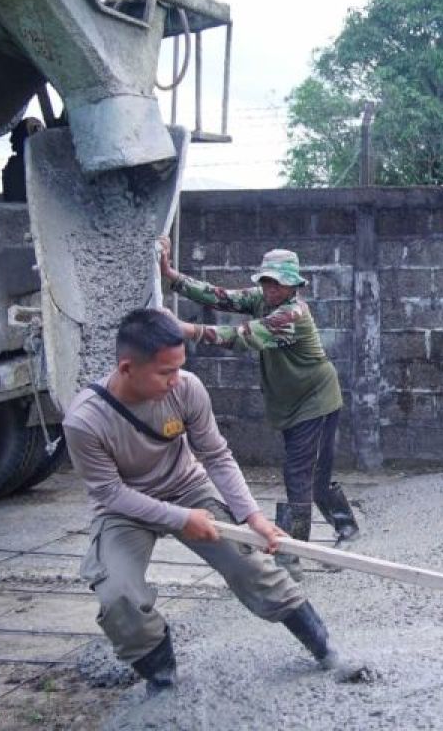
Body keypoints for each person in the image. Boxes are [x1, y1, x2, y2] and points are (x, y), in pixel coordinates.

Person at [62, 309, 346, 693]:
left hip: (187, 488)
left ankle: (325, 649)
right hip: (124, 509)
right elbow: (110, 493)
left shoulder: (187, 389)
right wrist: (179, 519)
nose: (175, 380)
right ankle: (162, 681)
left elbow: (215, 455)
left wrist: (253, 518)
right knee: (117, 596)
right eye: (165, 372)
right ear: (127, 368)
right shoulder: (84, 421)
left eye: (179, 368)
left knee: (252, 566)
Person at [158, 238, 359, 581]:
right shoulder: (261, 300)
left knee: (299, 474)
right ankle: (347, 527)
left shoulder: (291, 314)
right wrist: (171, 275)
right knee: (313, 476)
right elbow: (219, 296)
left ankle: (292, 556)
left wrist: (183, 330)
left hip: (316, 400)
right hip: (292, 402)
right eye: (267, 281)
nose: (271, 289)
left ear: (293, 285)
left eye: (278, 283)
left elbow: (242, 336)